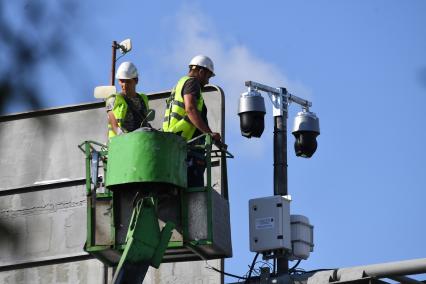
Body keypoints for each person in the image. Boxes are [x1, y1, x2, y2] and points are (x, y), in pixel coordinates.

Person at [162, 55, 222, 187]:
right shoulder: (192, 83)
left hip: (177, 145)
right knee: (194, 193)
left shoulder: (180, 84)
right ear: (201, 72)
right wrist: (209, 134)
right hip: (187, 149)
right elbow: (190, 109)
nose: (207, 82)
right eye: (207, 77)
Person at [106, 61, 149, 139]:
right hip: (119, 144)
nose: (124, 85)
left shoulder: (143, 98)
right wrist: (123, 137)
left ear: (136, 81)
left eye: (128, 81)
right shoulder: (113, 99)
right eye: (122, 81)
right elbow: (114, 125)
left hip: (140, 140)